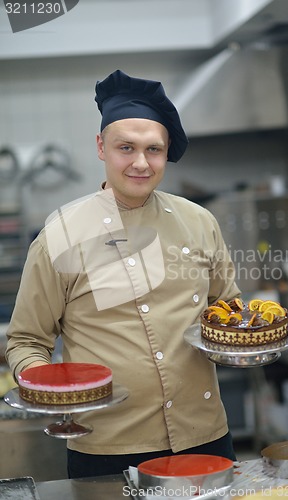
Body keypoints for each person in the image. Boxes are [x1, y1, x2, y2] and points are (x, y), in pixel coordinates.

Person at [6, 69, 241, 478]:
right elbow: (27, 340)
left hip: (204, 435)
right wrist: (50, 393)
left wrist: (243, 341)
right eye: (125, 148)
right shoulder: (60, 235)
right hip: (107, 446)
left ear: (166, 152)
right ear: (101, 146)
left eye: (154, 150)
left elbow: (229, 312)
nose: (140, 163)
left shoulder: (199, 222)